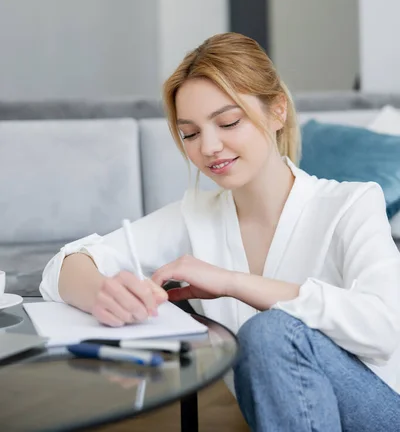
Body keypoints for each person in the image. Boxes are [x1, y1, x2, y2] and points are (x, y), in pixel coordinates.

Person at [40, 32, 400, 431]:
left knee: (271, 331)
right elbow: (62, 267)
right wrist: (101, 294)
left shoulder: (351, 203)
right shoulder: (195, 217)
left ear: (277, 111)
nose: (208, 147)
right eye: (190, 133)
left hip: (381, 407)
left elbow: (382, 328)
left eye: (228, 122)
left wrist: (233, 283)